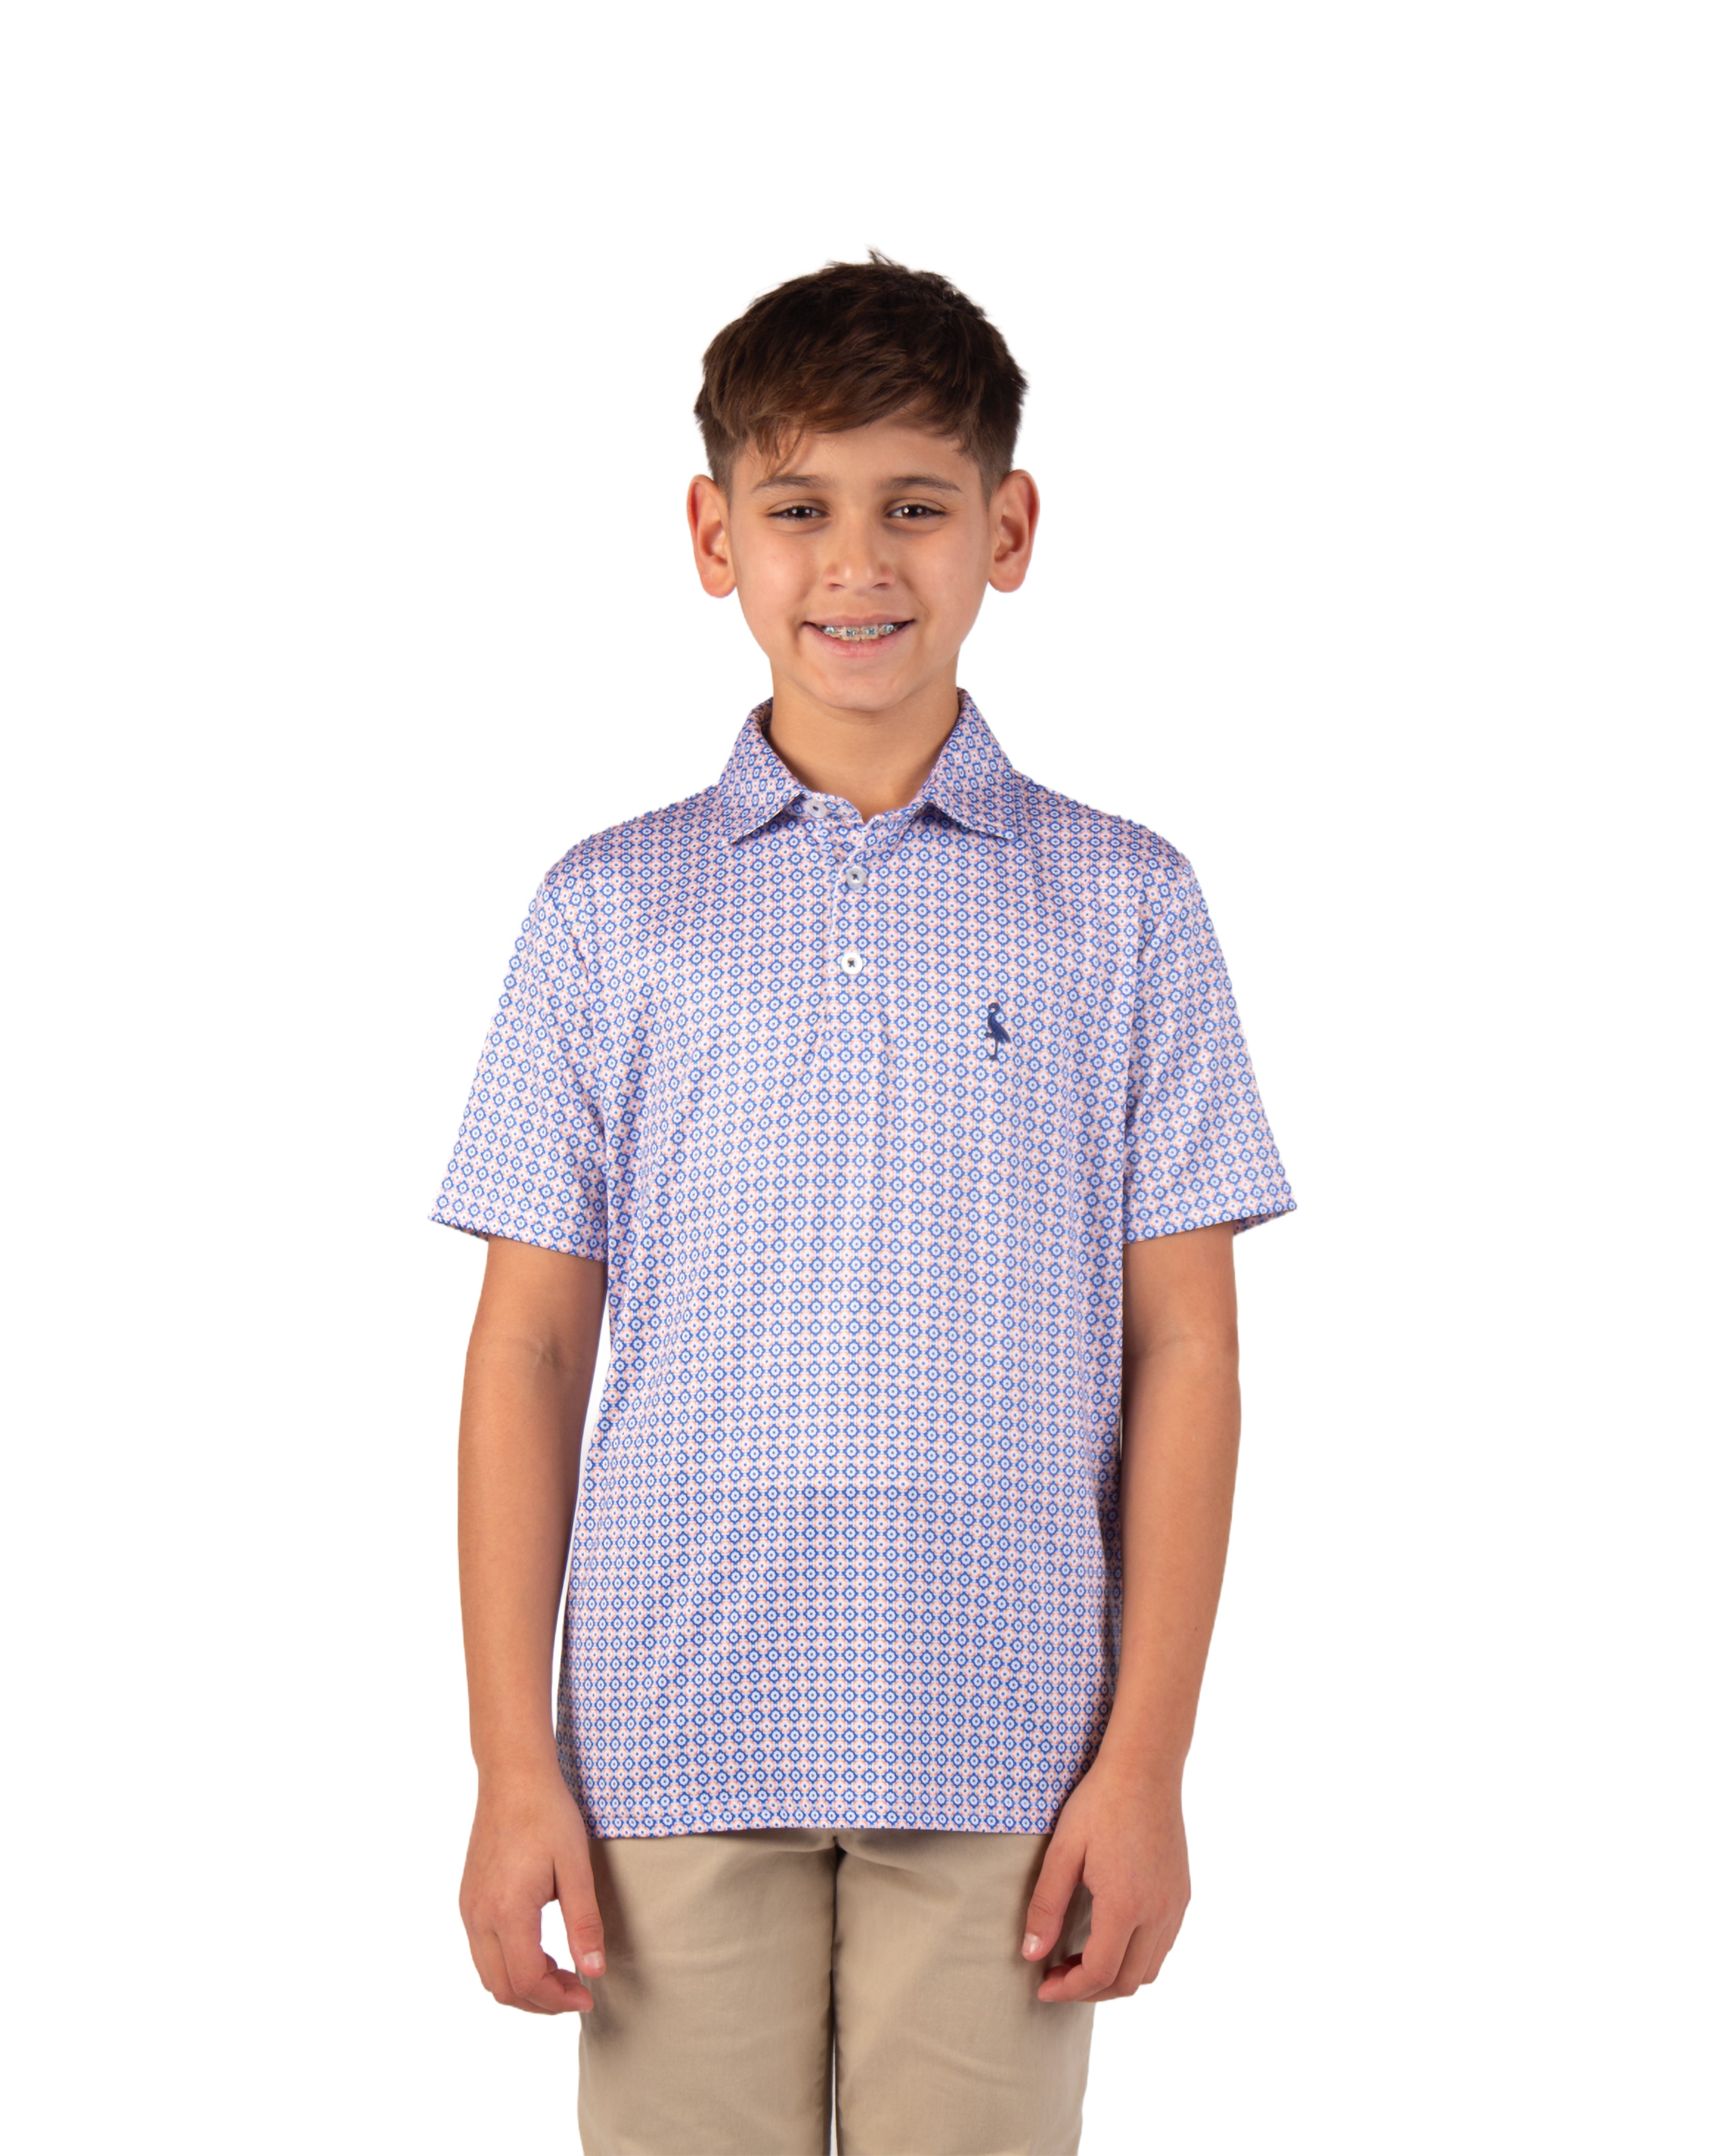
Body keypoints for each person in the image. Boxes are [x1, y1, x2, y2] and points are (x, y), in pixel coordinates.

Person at [432, 253, 1295, 2156]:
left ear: (1009, 529)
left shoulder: (1127, 905)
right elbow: (527, 1351)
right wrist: (511, 1759)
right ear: (712, 535)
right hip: (670, 1730)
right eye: (800, 507)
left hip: (1008, 1738)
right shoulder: (607, 910)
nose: (856, 563)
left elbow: (1189, 1348)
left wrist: (1148, 1760)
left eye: (915, 507)